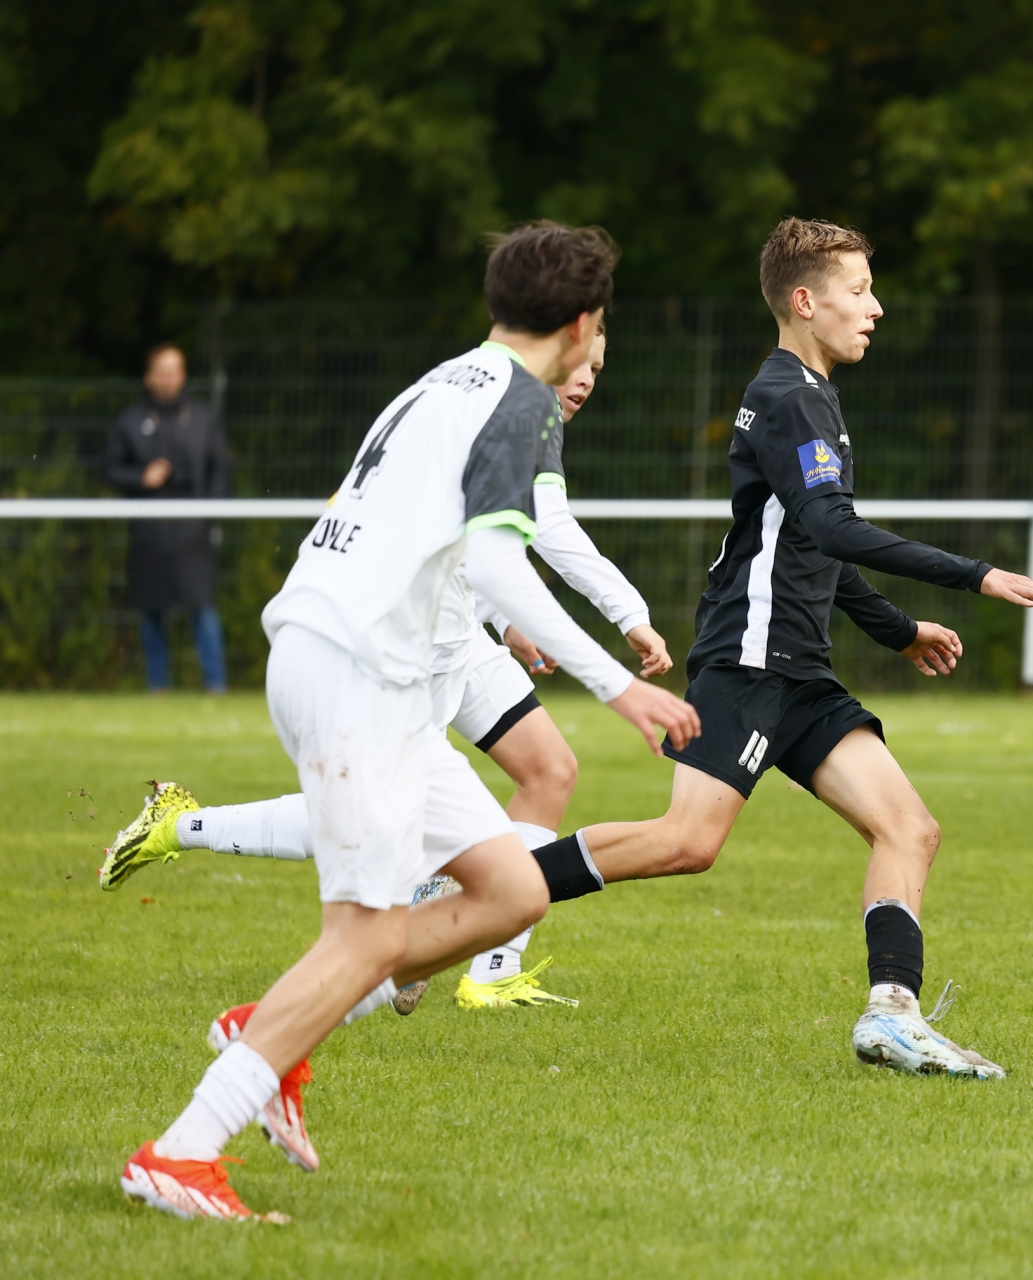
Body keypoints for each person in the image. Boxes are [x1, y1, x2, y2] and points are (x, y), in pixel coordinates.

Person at [116, 222, 700, 1223]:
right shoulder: (521, 402)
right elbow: (501, 558)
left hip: (352, 663)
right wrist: (619, 685)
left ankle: (273, 1030)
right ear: (581, 322)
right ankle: (181, 1150)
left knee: (512, 888)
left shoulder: (439, 382)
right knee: (368, 934)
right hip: (357, 673)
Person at [520, 217, 1033, 1079]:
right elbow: (832, 526)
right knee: (686, 843)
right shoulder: (788, 397)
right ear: (806, 301)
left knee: (909, 828)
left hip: (800, 672)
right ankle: (488, 884)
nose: (875, 308)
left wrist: (898, 630)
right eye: (859, 291)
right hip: (748, 660)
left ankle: (892, 1015)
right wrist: (976, 575)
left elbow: (813, 545)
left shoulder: (811, 393)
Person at [99, 323, 673, 1014]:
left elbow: (472, 534)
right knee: (370, 816)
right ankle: (185, 826)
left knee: (550, 768)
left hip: (457, 638)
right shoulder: (522, 399)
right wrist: (629, 617)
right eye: (583, 361)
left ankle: (491, 969)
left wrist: (504, 621)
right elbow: (548, 527)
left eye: (598, 372)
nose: (584, 380)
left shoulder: (468, 387)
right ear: (560, 335)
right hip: (407, 649)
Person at [102, 342, 232, 693]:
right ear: (149, 377)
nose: (169, 378)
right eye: (162, 372)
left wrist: (212, 513)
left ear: (183, 375)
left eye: (174, 371)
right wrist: (141, 477)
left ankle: (216, 686)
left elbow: (221, 470)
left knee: (203, 609)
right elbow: (110, 468)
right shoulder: (131, 421)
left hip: (194, 531)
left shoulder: (203, 419)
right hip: (149, 531)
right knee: (152, 610)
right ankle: (158, 686)